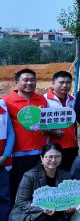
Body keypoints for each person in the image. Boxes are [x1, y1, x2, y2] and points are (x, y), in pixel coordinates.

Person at [3, 69, 48, 201]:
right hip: (17, 154)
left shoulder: (41, 100)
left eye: (32, 80)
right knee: (17, 188)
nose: (29, 83)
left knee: (38, 187)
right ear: (17, 82)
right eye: (25, 80)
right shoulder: (6, 102)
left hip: (38, 152)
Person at [43, 71, 78, 171]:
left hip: (71, 145)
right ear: (53, 83)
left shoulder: (73, 100)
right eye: (61, 82)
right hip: (51, 147)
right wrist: (51, 132)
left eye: (68, 82)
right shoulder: (44, 100)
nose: (65, 85)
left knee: (70, 174)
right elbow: (37, 125)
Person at [0, 92, 16, 221]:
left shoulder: (2, 105)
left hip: (2, 161)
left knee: (4, 198)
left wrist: (5, 155)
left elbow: (10, 133)